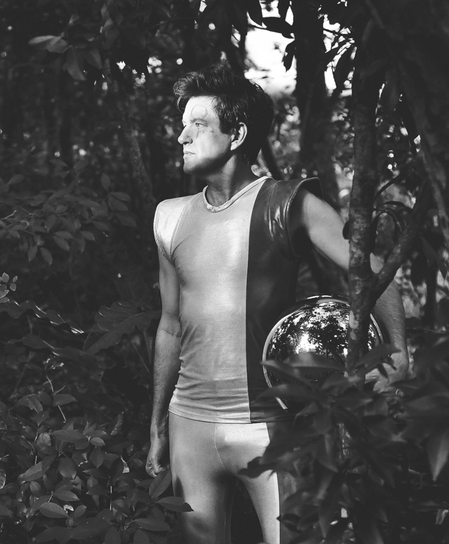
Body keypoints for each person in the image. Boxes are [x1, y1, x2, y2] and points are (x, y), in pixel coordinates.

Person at [144, 62, 409, 543]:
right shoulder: (169, 217)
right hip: (189, 425)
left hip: (270, 424)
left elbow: (371, 270)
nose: (182, 136)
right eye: (182, 124)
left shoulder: (289, 203)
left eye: (198, 124)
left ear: (238, 134)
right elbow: (169, 325)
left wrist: (399, 352)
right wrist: (158, 423)